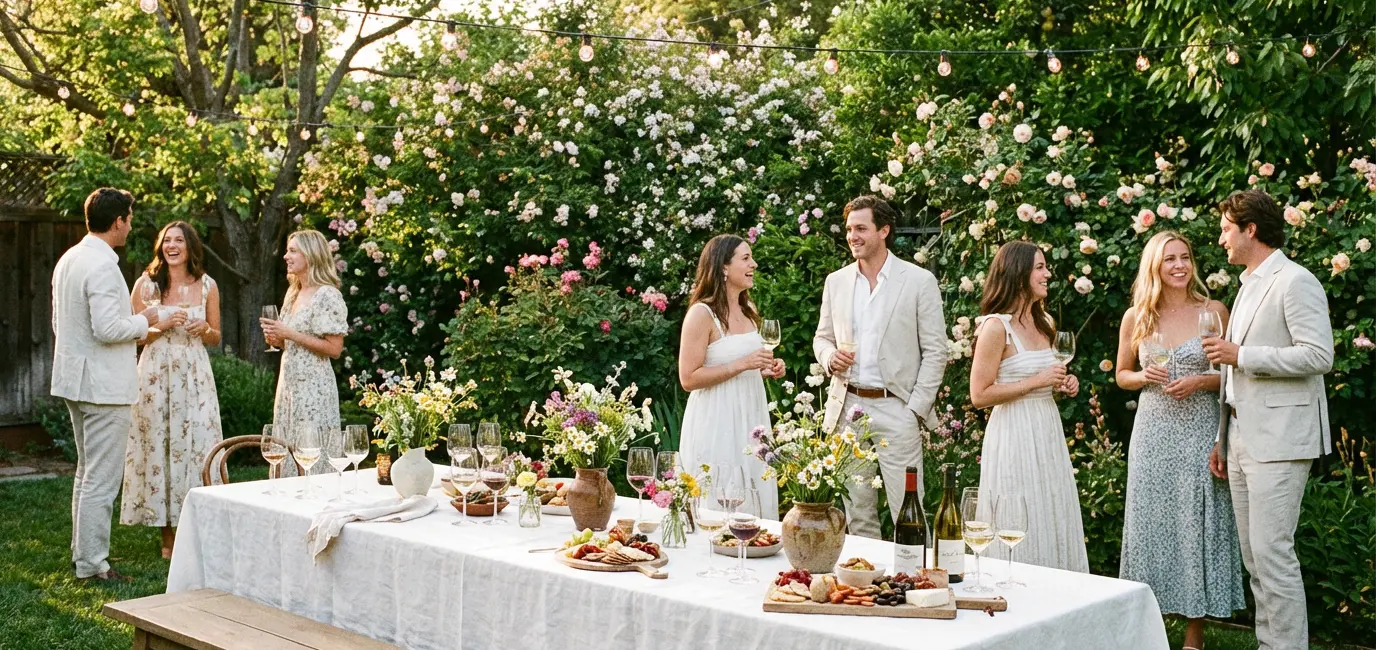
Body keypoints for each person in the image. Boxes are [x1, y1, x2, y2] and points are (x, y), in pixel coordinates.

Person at [1203, 190, 1333, 650]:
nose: (1221, 238)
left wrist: (1243, 355)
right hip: (1240, 436)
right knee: (1256, 558)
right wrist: (1223, 437)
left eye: (1225, 228)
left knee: (1273, 554)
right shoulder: (1247, 285)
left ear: (1249, 229)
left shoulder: (1295, 281)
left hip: (1281, 439)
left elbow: (1319, 355)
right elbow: (1231, 377)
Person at [1115, 231, 1243, 650]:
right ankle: (1144, 627)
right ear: (1154, 266)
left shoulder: (1213, 311)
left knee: (1195, 524)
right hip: (1153, 431)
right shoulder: (1138, 317)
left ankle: (1194, 634)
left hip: (1199, 430)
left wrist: (1201, 381)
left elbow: (1233, 376)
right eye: (1169, 259)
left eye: (1185, 257)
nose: (1179, 266)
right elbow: (1121, 375)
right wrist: (1142, 377)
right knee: (1149, 524)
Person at [813, 195, 947, 539]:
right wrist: (829, 358)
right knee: (857, 516)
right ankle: (865, 589)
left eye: (861, 228)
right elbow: (822, 338)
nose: (852, 236)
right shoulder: (837, 281)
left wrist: (914, 410)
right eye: (848, 229)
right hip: (848, 410)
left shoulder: (918, 281)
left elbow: (935, 352)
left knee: (909, 512)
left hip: (897, 408)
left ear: (884, 230)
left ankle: (921, 587)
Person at [50, 188, 160, 581]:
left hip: (75, 381)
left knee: (86, 472)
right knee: (101, 477)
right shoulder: (101, 265)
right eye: (129, 218)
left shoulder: (69, 259)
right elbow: (108, 327)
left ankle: (84, 556)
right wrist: (146, 319)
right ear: (118, 222)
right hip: (102, 387)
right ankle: (94, 565)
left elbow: (60, 324)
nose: (130, 225)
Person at [969, 241, 1088, 572]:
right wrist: (1037, 381)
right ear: (1018, 273)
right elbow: (979, 395)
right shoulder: (996, 327)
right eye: (1040, 267)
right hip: (1013, 433)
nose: (1047, 274)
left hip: (1046, 428)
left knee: (1049, 507)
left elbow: (1045, 376)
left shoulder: (1043, 320)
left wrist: (1064, 383)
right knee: (1017, 510)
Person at [122, 221, 225, 559]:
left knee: (199, 442)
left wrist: (204, 328)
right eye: (167, 240)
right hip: (155, 373)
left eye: (179, 240)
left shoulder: (208, 285)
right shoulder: (146, 284)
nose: (172, 246)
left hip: (194, 372)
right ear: (160, 247)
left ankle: (194, 527)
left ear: (190, 246)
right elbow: (134, 334)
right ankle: (167, 537)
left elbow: (216, 336)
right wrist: (159, 326)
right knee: (159, 443)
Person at [678, 234, 784, 519]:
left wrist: (767, 368)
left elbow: (749, 365)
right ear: (723, 267)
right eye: (746, 258)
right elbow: (688, 378)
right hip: (717, 419)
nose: (754, 264)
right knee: (719, 497)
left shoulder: (749, 311)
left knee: (754, 492)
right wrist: (743, 364)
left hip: (750, 415)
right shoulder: (702, 314)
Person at [261, 230, 348, 476]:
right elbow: (289, 343)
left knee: (310, 448)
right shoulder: (294, 292)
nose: (286, 256)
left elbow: (334, 348)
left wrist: (288, 333)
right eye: (288, 250)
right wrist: (277, 339)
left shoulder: (327, 295)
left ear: (311, 254)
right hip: (288, 385)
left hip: (314, 387)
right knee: (286, 444)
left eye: (293, 250)